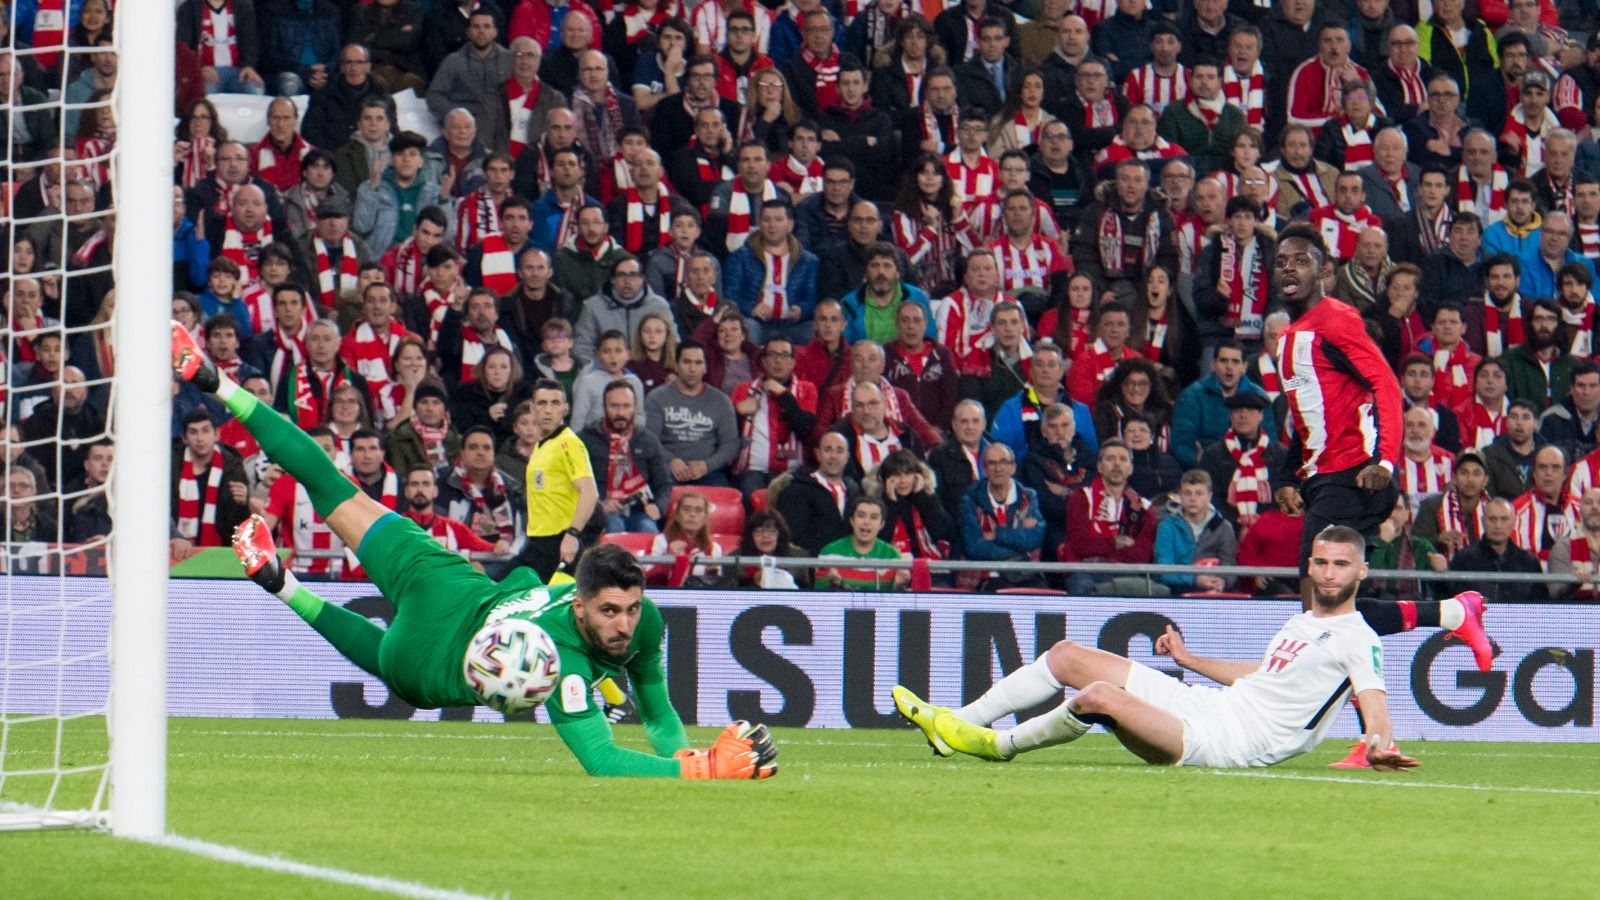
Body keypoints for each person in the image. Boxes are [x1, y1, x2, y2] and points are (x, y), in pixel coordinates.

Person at [894, 526, 1418, 771]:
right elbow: (1260, 677)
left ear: (1362, 571)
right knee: (1068, 655)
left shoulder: (1359, 638)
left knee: (1098, 695)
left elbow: (1376, 707)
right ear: (1310, 565)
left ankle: (992, 745)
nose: (1329, 573)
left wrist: (1378, 744)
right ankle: (953, 724)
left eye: (1341, 565)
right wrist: (1189, 663)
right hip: (1211, 707)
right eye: (1322, 563)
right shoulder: (1302, 621)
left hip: (1227, 745)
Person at [1272, 223, 1403, 605]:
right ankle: (1447, 614)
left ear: (1324, 270)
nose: (1290, 269)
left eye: (1301, 261)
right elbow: (1309, 416)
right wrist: (1287, 476)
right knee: (1330, 606)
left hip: (1354, 476)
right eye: (1281, 263)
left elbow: (1387, 386)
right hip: (1323, 480)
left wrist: (1386, 462)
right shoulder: (1288, 337)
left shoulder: (1336, 321)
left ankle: (1447, 615)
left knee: (1316, 594)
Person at [730, 335, 817, 498]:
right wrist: (737, 412)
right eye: (772, 355)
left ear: (793, 362)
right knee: (751, 492)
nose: (778, 361)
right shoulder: (743, 390)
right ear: (763, 361)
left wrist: (784, 395)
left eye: (784, 355)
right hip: (752, 471)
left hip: (792, 471)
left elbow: (806, 429)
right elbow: (726, 433)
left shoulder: (806, 390)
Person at [579, 379, 670, 535]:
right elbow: (575, 484)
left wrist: (658, 506)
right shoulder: (585, 440)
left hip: (639, 510)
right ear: (604, 407)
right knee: (615, 528)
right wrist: (599, 504)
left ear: (635, 408)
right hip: (600, 511)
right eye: (614, 406)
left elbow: (664, 484)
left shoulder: (648, 440)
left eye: (626, 406)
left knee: (648, 530)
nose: (620, 413)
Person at [645, 342, 740, 488]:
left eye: (698, 363)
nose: (692, 369)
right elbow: (650, 439)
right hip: (667, 469)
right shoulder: (656, 398)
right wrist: (670, 460)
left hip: (709, 472)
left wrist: (706, 465)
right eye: (687, 362)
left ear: (705, 367)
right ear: (676, 366)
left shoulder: (721, 401)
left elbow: (730, 444)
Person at [1170, 341, 1274, 468]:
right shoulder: (1191, 396)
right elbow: (1181, 443)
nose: (1229, 367)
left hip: (1251, 468)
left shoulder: (1260, 397)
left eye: (1235, 362)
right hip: (1205, 470)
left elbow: (1270, 442)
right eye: (1224, 361)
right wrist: (1201, 462)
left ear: (1244, 367)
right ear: (1213, 365)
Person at [1198, 391, 1288, 530]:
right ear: (1230, 416)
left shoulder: (1279, 454)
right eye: (1237, 410)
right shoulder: (1213, 455)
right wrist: (1237, 526)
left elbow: (1285, 496)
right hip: (1226, 531)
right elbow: (1210, 498)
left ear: (1261, 416)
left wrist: (1263, 526)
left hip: (1271, 530)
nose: (1243, 415)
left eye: (1250, 410)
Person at [770, 429, 858, 554]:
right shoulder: (795, 489)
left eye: (839, 451)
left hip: (850, 563)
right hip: (813, 565)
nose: (833, 456)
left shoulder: (855, 490)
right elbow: (794, 537)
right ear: (818, 454)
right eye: (828, 450)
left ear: (847, 457)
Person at [1447, 496, 1544, 599]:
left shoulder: (1529, 562)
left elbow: (1541, 606)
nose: (1498, 526)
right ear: (1483, 521)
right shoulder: (1464, 559)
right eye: (1492, 519)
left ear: (1513, 522)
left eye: (1504, 519)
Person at [819, 496, 908, 592]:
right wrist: (832, 586)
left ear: (881, 524)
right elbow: (819, 599)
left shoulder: (893, 555)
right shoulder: (829, 552)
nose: (867, 522)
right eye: (861, 516)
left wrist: (899, 586)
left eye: (874, 517)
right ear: (852, 520)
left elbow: (895, 602)